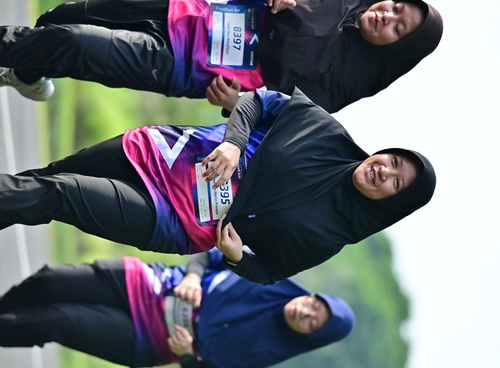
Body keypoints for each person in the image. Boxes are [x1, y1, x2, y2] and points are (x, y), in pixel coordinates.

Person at [0, 88, 436, 283]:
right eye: (394, 161)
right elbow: (256, 101)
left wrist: (236, 256)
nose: (385, 171)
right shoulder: (323, 130)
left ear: (391, 204)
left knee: (60, 193)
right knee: (44, 180)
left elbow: (268, 272)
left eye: (396, 183)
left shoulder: (329, 237)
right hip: (161, 152)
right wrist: (233, 143)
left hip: (171, 220)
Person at [0, 0, 443, 111]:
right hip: (189, 6)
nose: (385, 16)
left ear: (398, 49)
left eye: (397, 28)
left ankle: (25, 61)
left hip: (188, 65)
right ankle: (28, 74)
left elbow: (281, 117)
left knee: (73, 42)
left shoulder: (349, 82)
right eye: (395, 8)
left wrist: (239, 104)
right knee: (59, 20)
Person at [0, 248, 355, 368]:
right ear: (312, 296)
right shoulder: (267, 275)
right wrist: (193, 278)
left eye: (312, 323)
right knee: (49, 281)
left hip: (149, 340)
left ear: (310, 337)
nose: (304, 312)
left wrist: (186, 354)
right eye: (314, 305)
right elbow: (210, 254)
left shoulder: (266, 350)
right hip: (150, 283)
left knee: (56, 321)